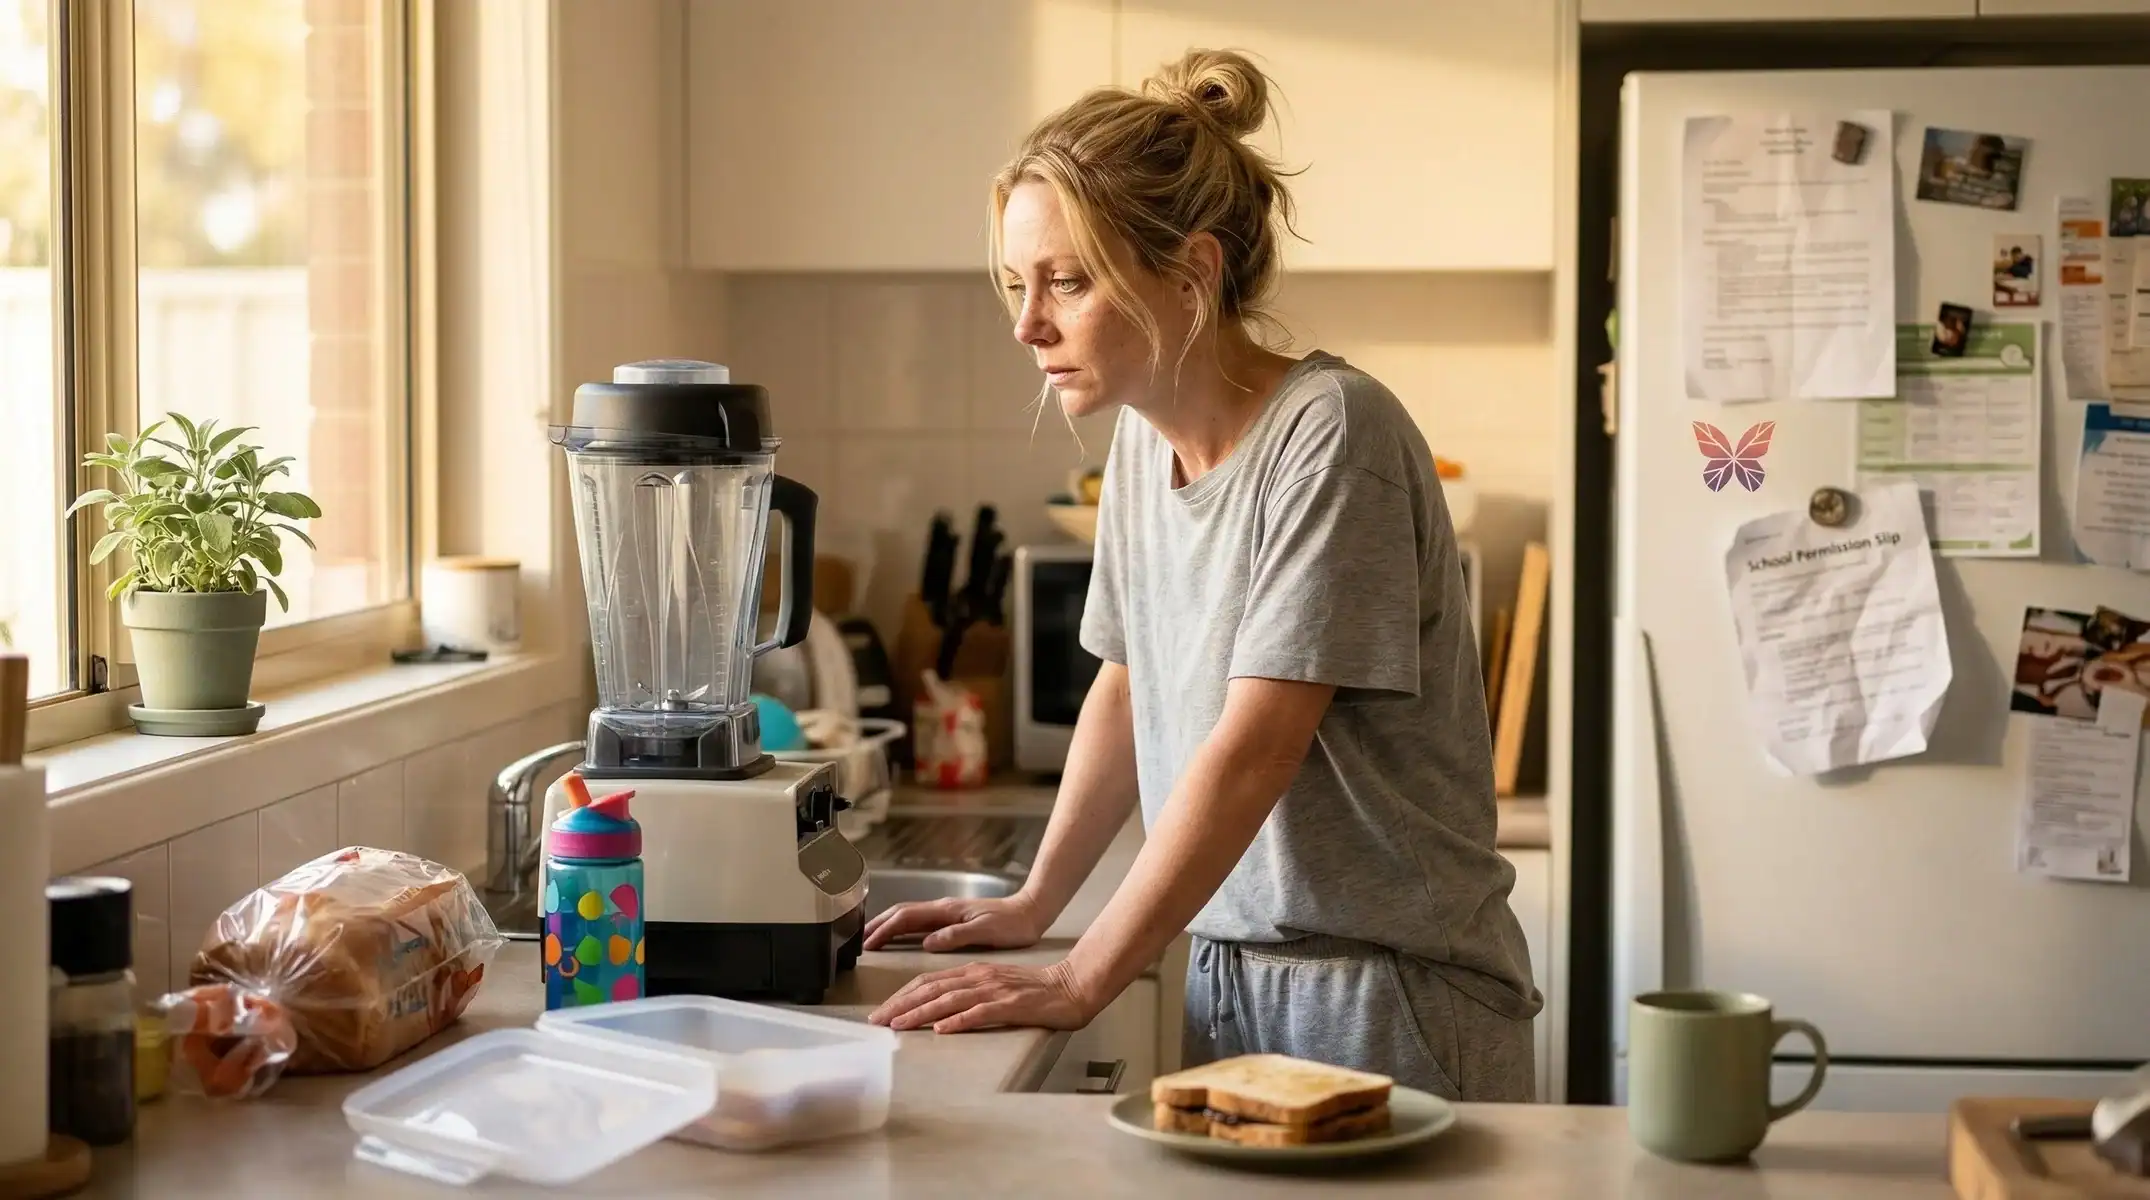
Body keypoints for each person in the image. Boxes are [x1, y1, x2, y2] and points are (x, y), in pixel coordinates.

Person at [862, 48, 1543, 1101]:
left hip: (1382, 992)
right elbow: (1125, 682)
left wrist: (1088, 971)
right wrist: (1039, 900)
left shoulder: (1331, 434)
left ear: (1190, 275)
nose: (1024, 323)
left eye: (1066, 281)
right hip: (1229, 969)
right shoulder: (1142, 443)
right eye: (1016, 283)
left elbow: (1256, 742)